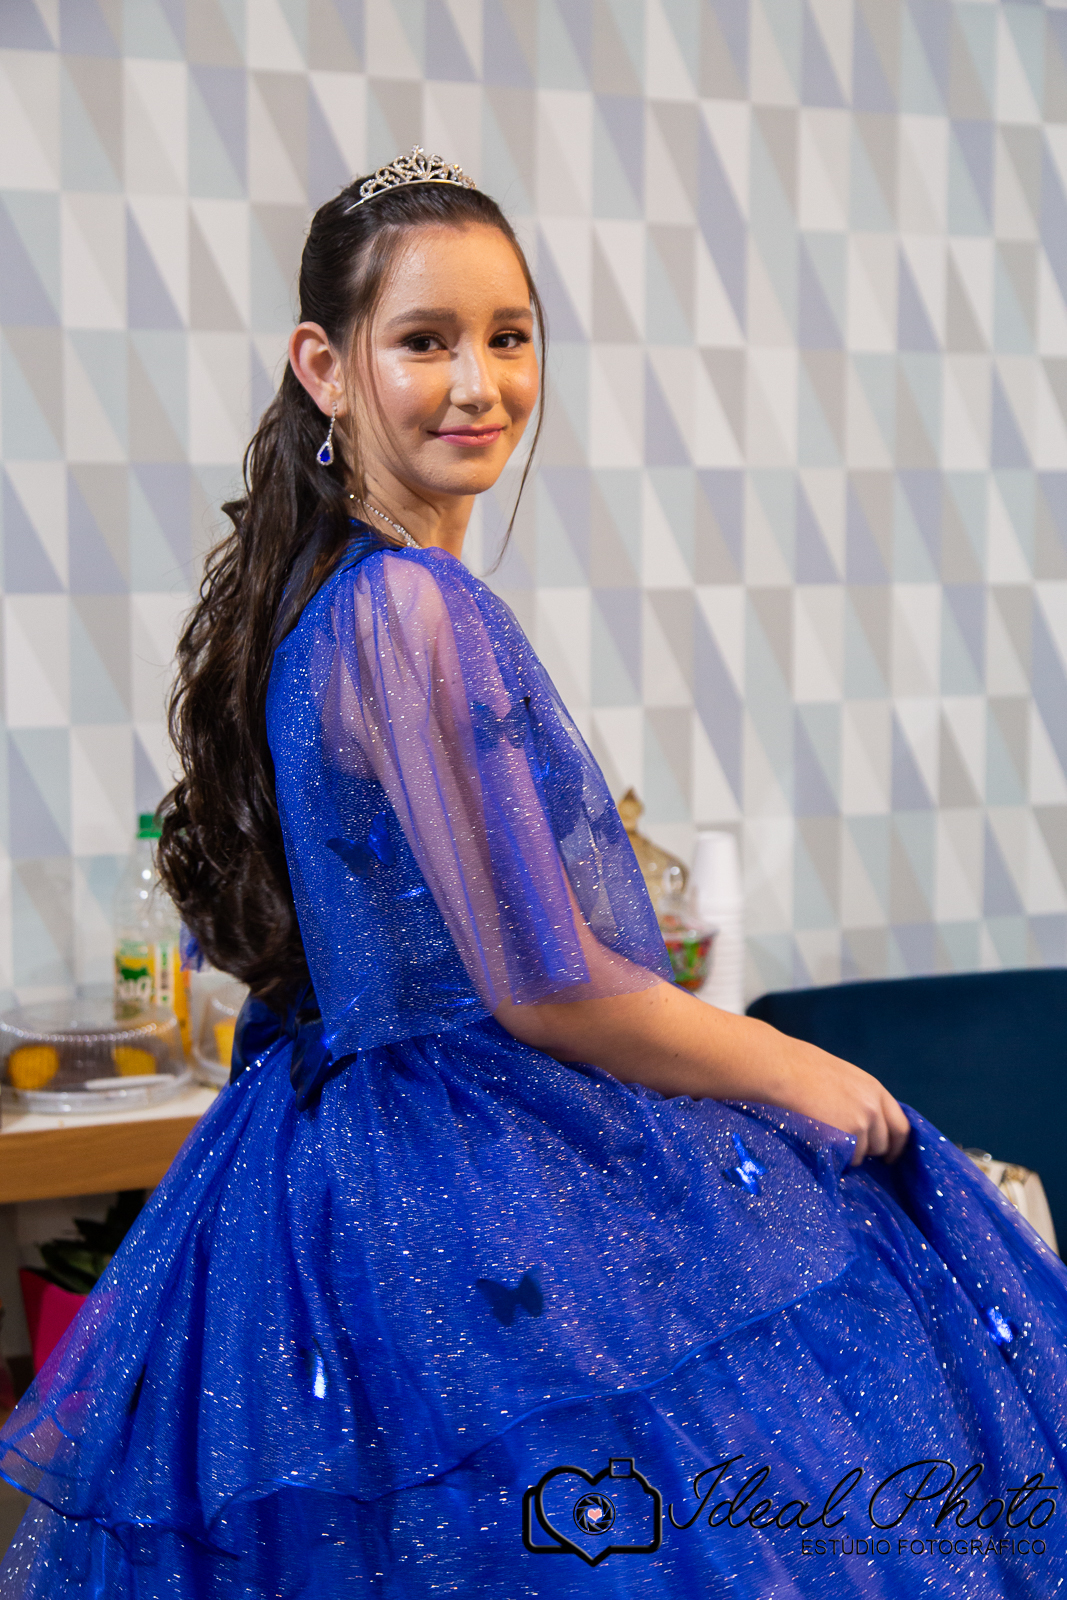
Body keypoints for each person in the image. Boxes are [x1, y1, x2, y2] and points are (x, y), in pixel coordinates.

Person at [2, 148, 1066, 1599]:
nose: (478, 383)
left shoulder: (333, 601)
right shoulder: (411, 608)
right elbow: (549, 984)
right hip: (459, 1165)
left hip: (343, 1161)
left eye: (508, 337)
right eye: (425, 341)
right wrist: (803, 1070)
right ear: (324, 365)